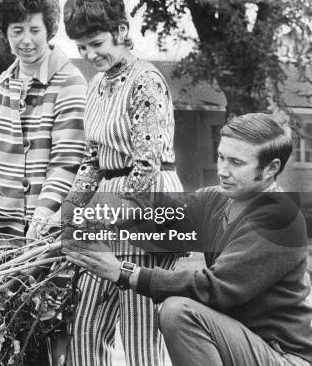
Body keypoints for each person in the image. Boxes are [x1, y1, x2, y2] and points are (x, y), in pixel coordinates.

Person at [63, 113, 312, 366]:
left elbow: (214, 288)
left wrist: (123, 272)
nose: (223, 170)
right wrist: (96, 222)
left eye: (236, 163)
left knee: (179, 311)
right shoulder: (218, 199)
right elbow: (163, 224)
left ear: (271, 168)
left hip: (282, 356)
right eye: (221, 157)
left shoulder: (280, 220)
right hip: (240, 342)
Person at [59, 0, 183, 366]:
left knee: (139, 332)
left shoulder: (146, 80)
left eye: (96, 43)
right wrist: (69, 209)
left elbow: (145, 163)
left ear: (122, 30)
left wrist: (113, 216)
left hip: (147, 204)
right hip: (109, 208)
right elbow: (94, 158)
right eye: (81, 47)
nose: (90, 54)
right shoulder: (96, 86)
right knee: (86, 327)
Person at [0, 0, 87, 246]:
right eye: (17, 31)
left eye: (34, 30)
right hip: (7, 231)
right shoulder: (2, 84)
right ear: (6, 33)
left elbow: (67, 162)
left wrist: (41, 221)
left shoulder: (70, 82)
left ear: (49, 29)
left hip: (51, 229)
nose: (26, 40)